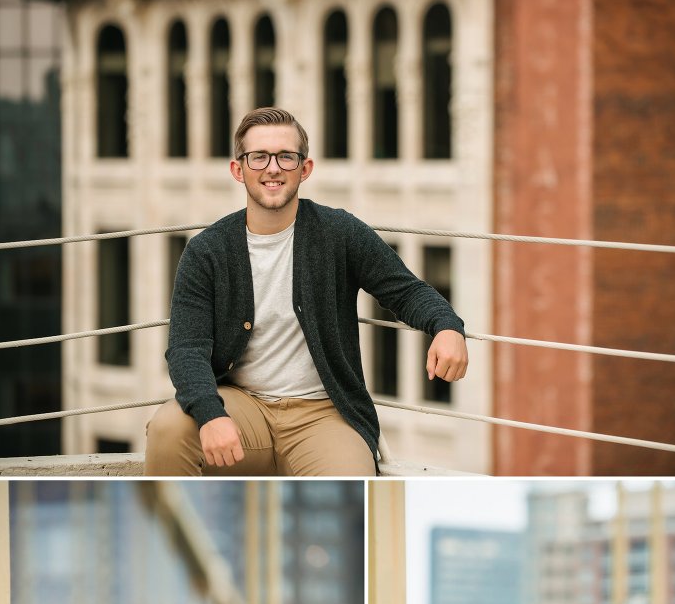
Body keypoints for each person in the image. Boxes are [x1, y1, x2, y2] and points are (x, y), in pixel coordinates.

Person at [144, 106, 468, 478]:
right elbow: (187, 349)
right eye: (259, 157)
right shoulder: (206, 251)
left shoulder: (338, 232)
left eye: (286, 156)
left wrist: (447, 327)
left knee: (348, 481)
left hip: (323, 414)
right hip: (243, 407)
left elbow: (406, 290)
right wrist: (210, 414)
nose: (273, 167)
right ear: (238, 169)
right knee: (169, 429)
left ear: (305, 168)